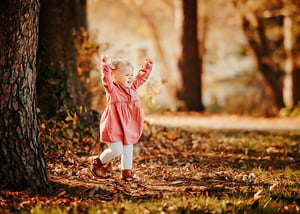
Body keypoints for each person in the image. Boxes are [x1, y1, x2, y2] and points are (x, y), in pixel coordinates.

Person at [91, 54, 153, 181]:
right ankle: (98, 162)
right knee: (116, 150)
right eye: (126, 75)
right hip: (114, 124)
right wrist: (106, 65)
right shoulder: (112, 89)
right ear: (115, 77)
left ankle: (126, 173)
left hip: (129, 124)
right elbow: (106, 78)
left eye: (131, 74)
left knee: (128, 148)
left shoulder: (133, 87)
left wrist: (147, 67)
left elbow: (141, 78)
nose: (130, 77)